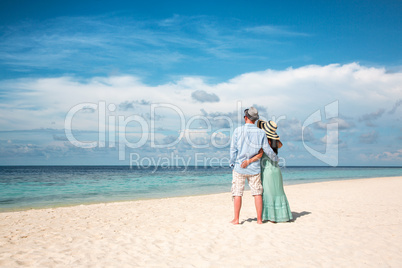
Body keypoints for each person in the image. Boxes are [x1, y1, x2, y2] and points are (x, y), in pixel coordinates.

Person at [229, 107, 279, 225]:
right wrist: (275, 159)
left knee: (237, 193)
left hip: (239, 167)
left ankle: (236, 219)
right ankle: (259, 220)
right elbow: (267, 149)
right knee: (257, 193)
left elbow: (233, 150)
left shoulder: (237, 131)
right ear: (256, 119)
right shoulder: (261, 132)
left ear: (245, 117)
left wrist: (232, 163)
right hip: (255, 168)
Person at [241, 120, 293, 223]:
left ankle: (272, 217)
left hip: (267, 170)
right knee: (278, 192)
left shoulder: (264, 143)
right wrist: (274, 136)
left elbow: (259, 155)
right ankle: (282, 216)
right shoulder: (275, 142)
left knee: (268, 193)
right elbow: (280, 145)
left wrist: (248, 161)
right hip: (276, 169)